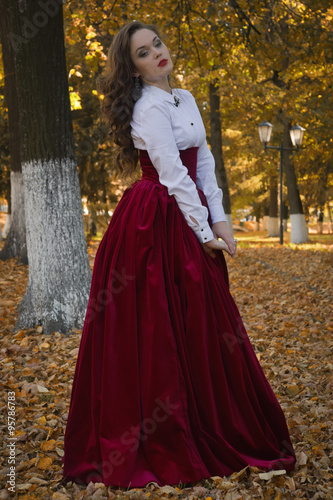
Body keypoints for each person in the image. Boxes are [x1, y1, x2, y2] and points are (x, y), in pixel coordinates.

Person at [63, 21, 296, 488]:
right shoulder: (147, 108)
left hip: (184, 211)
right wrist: (203, 229)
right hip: (154, 223)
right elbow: (172, 174)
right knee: (157, 324)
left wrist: (223, 219)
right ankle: (165, 430)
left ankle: (205, 414)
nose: (157, 55)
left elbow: (204, 162)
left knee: (202, 321)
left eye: (158, 45)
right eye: (144, 53)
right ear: (132, 68)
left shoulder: (184, 99)